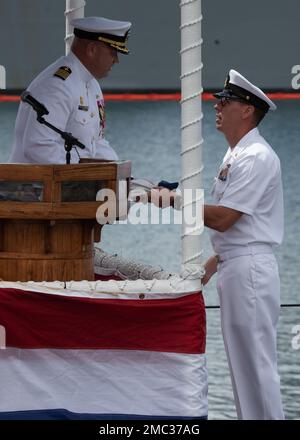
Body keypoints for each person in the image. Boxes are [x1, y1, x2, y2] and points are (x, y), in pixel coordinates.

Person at [202, 69, 284, 420]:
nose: (217, 106)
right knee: (243, 369)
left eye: (226, 101)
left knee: (256, 369)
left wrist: (174, 202)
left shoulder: (255, 156)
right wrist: (210, 265)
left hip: (249, 271)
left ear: (247, 110)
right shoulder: (237, 155)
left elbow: (225, 218)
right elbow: (235, 230)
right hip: (236, 265)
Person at [9, 16, 131, 164]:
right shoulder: (57, 86)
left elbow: (95, 143)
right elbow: (38, 146)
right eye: (113, 53)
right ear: (92, 49)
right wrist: (83, 170)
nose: (116, 60)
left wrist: (118, 169)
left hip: (71, 182)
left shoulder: (92, 84)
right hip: (36, 186)